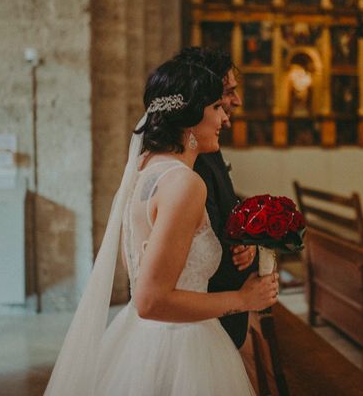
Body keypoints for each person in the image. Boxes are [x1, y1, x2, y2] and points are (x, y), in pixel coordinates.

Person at [44, 55, 279, 395]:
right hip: (182, 346)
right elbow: (151, 299)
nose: (225, 118)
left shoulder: (145, 167)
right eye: (216, 107)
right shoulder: (184, 183)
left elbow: (137, 266)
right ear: (190, 117)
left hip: (139, 340)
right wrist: (243, 299)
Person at [174, 47, 258, 350]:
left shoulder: (206, 150)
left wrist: (247, 244)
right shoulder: (187, 169)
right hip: (195, 327)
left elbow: (225, 219)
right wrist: (245, 291)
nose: (236, 103)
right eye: (227, 93)